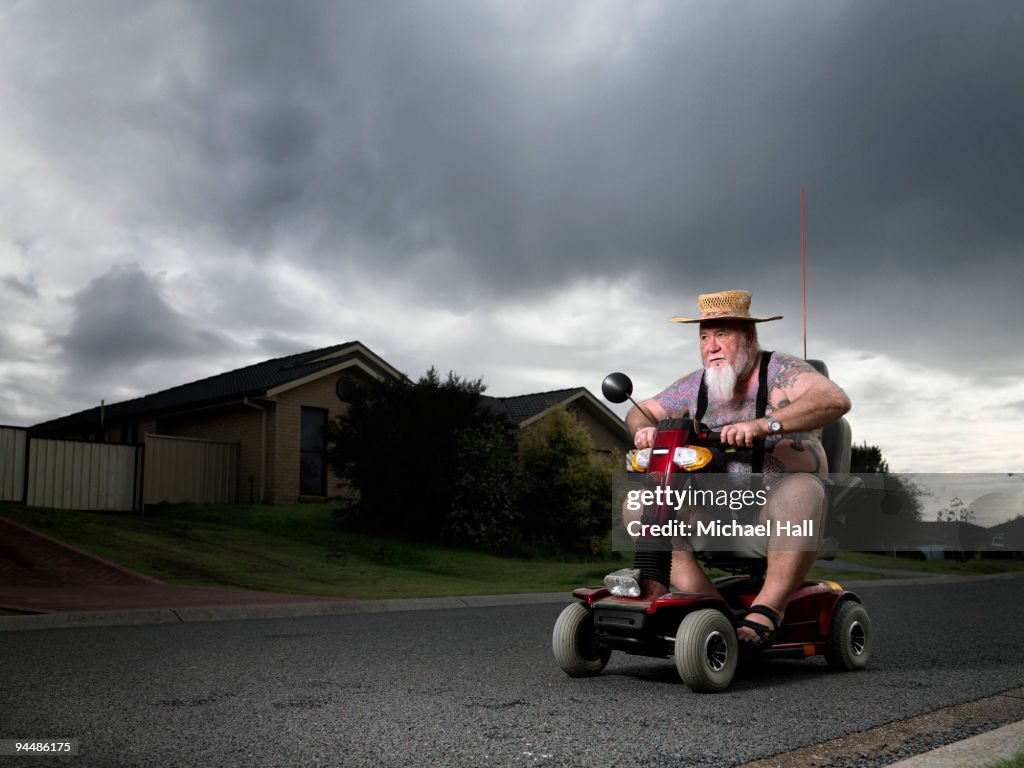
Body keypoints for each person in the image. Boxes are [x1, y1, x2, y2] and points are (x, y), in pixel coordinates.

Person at [623, 289, 851, 649]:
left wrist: (765, 425)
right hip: (715, 511)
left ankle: (767, 611)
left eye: (722, 334)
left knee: (801, 490)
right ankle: (711, 607)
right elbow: (640, 411)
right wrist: (643, 431)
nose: (710, 346)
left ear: (748, 336)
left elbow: (835, 399)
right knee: (638, 503)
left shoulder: (780, 372)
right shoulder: (693, 386)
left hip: (775, 509)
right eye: (703, 336)